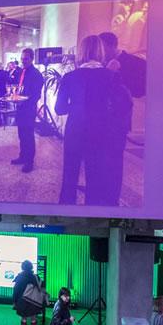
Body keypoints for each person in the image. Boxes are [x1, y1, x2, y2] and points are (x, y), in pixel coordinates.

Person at [55, 35, 133, 206]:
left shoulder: (69, 77)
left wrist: (76, 106)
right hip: (99, 131)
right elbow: (122, 106)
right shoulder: (111, 75)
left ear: (81, 52)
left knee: (69, 175)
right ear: (100, 51)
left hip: (74, 131)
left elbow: (59, 109)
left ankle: (66, 210)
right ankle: (91, 213)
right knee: (95, 176)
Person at [10, 48, 44, 173]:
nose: (23, 61)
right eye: (22, 58)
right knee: (21, 134)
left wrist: (24, 100)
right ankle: (22, 156)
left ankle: (29, 161)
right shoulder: (21, 72)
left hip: (29, 109)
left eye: (26, 59)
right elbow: (19, 89)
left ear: (32, 59)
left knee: (28, 135)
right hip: (20, 107)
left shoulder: (36, 74)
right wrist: (15, 97)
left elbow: (36, 95)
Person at [99, 31, 146, 100]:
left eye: (101, 48)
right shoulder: (100, 65)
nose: (99, 52)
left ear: (113, 46)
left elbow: (139, 91)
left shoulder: (139, 63)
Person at [13, 260, 41, 325]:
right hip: (33, 300)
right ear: (31, 267)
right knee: (33, 318)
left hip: (22, 301)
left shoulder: (20, 276)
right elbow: (39, 289)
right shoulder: (35, 277)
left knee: (24, 318)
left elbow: (16, 289)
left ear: (22, 267)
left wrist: (14, 301)